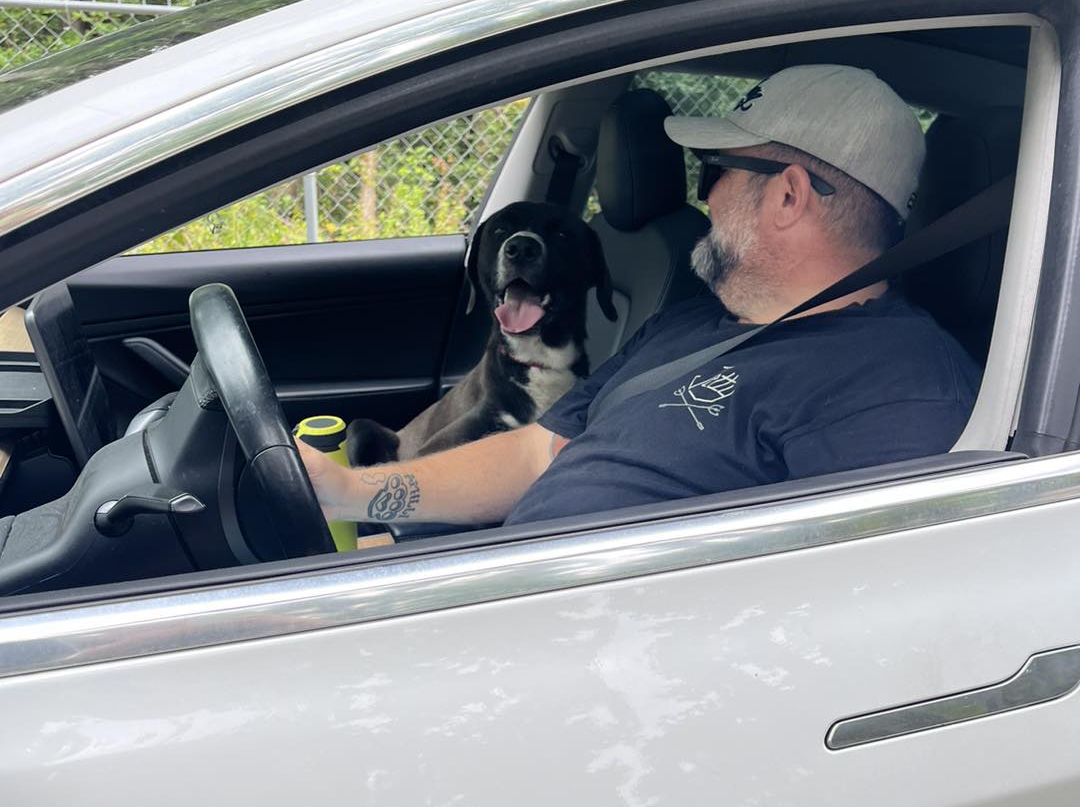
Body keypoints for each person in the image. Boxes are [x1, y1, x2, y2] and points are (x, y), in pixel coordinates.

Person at [297, 64, 981, 531]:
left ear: (789, 195)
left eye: (713, 170)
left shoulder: (901, 390)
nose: (701, 195)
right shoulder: (697, 320)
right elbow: (540, 453)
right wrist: (354, 495)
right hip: (493, 581)